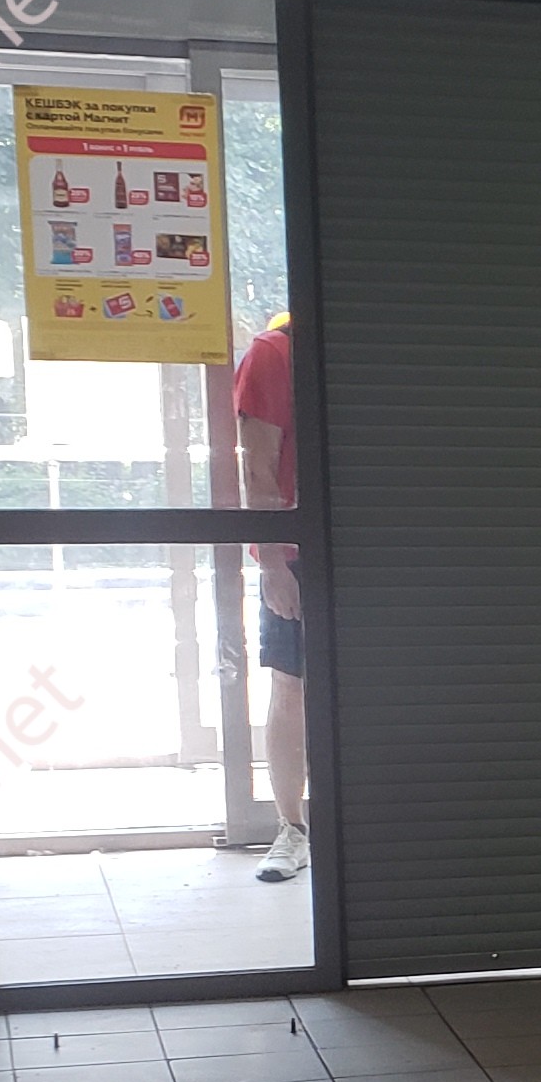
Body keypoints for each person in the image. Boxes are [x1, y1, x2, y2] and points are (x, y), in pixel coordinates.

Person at [229, 309, 310, 883]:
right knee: (291, 685)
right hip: (300, 553)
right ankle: (292, 828)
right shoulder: (274, 353)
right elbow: (257, 469)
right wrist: (274, 563)